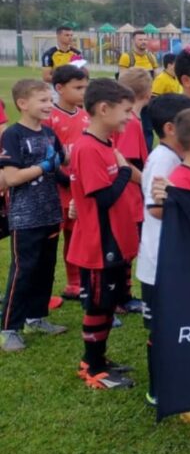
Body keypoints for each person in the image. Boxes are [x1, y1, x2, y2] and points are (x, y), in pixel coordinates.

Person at [135, 94, 190, 423]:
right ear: (171, 128)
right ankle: (163, 390)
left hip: (172, 262)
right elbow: (155, 208)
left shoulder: (174, 157)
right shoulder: (164, 160)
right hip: (159, 265)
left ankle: (173, 387)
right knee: (164, 331)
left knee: (175, 328)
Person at [68, 79, 141, 387]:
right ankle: (92, 367)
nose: (130, 117)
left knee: (109, 303)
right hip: (99, 246)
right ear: (103, 109)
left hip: (112, 241)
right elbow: (103, 198)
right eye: (126, 111)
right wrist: (124, 171)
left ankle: (98, 358)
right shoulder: (87, 149)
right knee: (98, 306)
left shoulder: (105, 143)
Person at [1, 80, 69, 353]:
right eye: (42, 101)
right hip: (25, 217)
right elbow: (13, 177)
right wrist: (43, 166)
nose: (49, 105)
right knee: (23, 271)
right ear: (22, 103)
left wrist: (74, 179)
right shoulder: (12, 135)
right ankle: (9, 328)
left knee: (45, 268)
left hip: (50, 212)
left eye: (50, 100)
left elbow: (61, 165)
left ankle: (36, 317)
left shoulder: (50, 133)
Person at [47, 65, 90, 301]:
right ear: (60, 88)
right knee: (51, 239)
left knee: (74, 236)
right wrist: (64, 179)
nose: (84, 92)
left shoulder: (85, 116)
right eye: (78, 87)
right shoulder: (49, 119)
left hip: (77, 189)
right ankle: (44, 288)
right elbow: (45, 157)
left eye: (85, 87)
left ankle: (74, 283)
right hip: (56, 189)